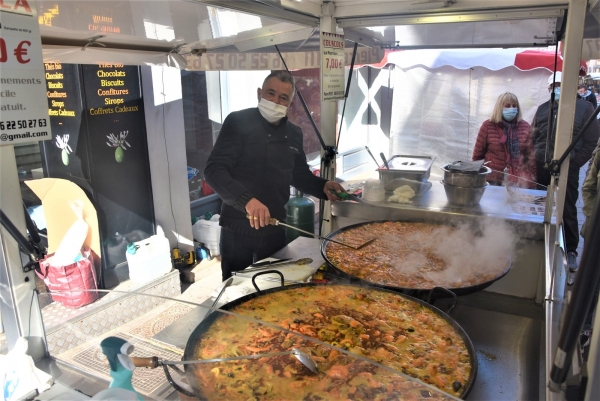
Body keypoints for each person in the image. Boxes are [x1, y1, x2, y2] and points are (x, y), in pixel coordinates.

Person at [204, 71, 345, 280]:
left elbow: (299, 176)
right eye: (270, 93)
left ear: (290, 102)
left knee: (273, 285)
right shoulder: (238, 121)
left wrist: (322, 186)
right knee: (235, 290)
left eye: (283, 97)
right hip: (238, 229)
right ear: (259, 93)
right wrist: (247, 201)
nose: (275, 101)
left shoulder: (294, 133)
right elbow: (214, 170)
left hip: (275, 229)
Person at [531, 72, 600, 271]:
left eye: (560, 85)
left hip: (568, 168)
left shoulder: (584, 109)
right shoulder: (543, 109)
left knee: (567, 207)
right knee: (542, 205)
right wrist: (537, 157)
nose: (557, 89)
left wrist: (574, 163)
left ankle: (570, 250)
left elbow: (591, 141)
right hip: (543, 167)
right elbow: (534, 135)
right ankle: (540, 242)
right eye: (553, 86)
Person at [472, 92, 536, 188]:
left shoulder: (525, 126)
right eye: (507, 106)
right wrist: (476, 177)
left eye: (514, 106)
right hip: (492, 179)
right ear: (499, 108)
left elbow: (530, 157)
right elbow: (477, 156)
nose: (512, 109)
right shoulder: (488, 126)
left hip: (518, 181)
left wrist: (534, 179)